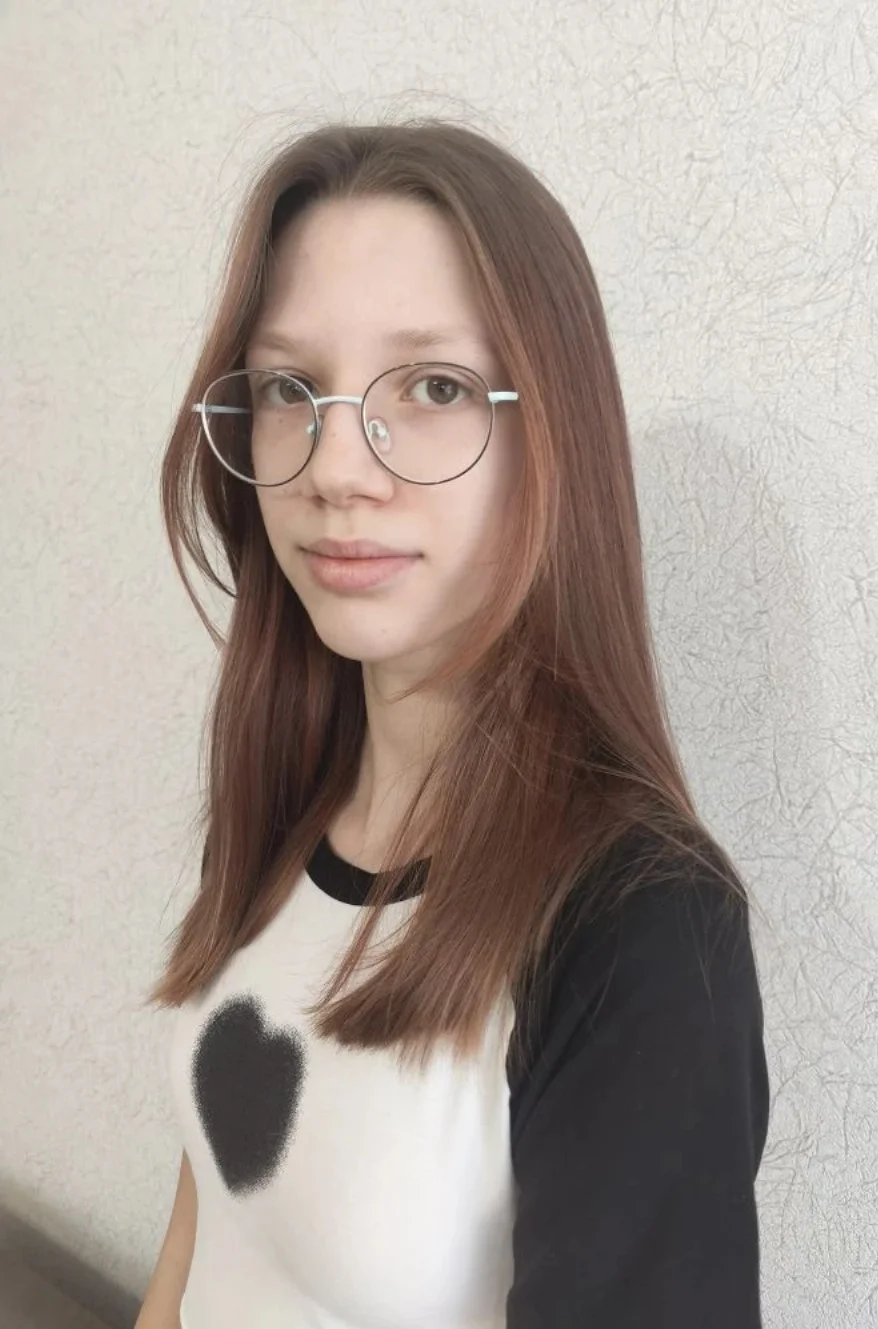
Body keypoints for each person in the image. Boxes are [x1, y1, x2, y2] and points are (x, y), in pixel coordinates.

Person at [135, 118, 770, 1329]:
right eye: (290, 389)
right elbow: (206, 1228)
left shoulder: (640, 930)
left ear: (554, 440)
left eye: (433, 388)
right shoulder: (289, 798)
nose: (335, 466)